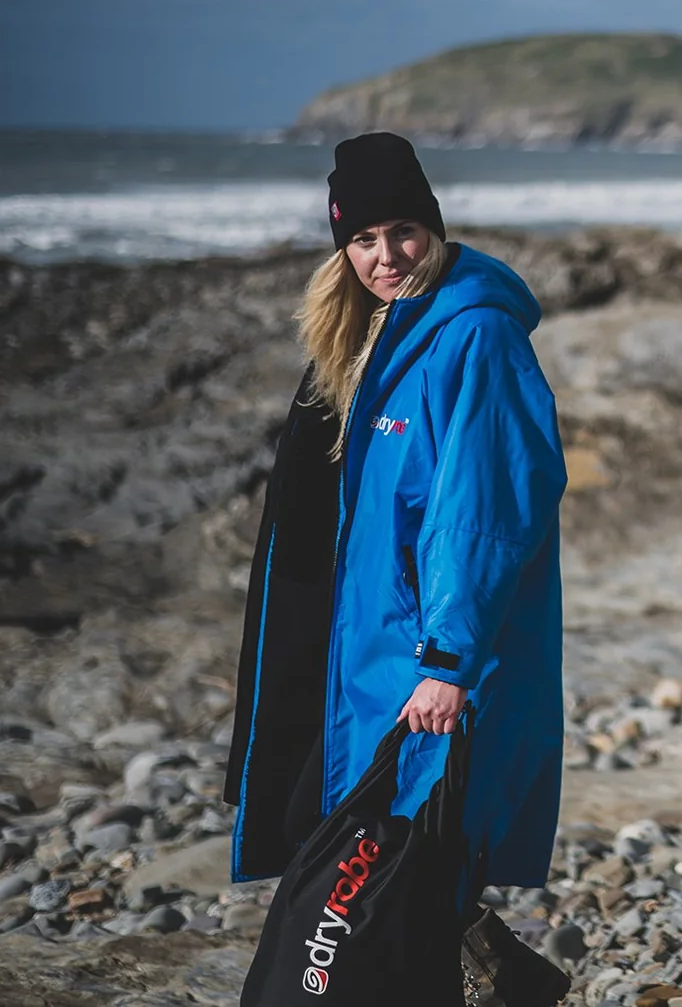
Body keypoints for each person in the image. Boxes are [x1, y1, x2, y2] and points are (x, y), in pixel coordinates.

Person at [224, 132, 570, 1003]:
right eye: (364, 239)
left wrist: (448, 661)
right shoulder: (370, 335)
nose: (387, 256)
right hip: (369, 656)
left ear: (435, 225)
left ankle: (491, 981)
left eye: (404, 230)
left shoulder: (475, 336)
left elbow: (484, 511)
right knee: (358, 845)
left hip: (430, 662)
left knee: (391, 862)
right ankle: (503, 979)